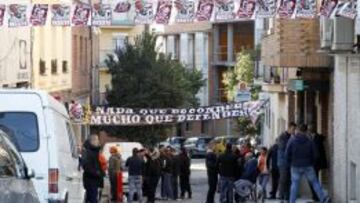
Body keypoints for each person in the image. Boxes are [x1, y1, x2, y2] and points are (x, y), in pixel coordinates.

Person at [285, 124, 331, 203]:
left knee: (295, 184)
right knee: (314, 182)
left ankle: (292, 201)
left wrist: (291, 163)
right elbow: (316, 154)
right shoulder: (310, 141)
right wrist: (311, 163)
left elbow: (286, 154)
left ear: (298, 130)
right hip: (308, 165)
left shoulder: (292, 140)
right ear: (306, 131)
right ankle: (323, 199)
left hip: (295, 165)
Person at [82, 134, 105, 203]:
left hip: (95, 180)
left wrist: (101, 172)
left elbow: (97, 165)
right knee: (93, 199)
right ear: (92, 141)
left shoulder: (94, 151)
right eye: (97, 140)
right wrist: (98, 173)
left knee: (93, 199)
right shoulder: (89, 152)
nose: (98, 141)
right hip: (91, 181)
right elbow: (87, 167)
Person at [277, 122, 297, 202]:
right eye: (293, 129)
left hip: (289, 162)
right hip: (283, 162)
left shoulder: (291, 137)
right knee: (283, 179)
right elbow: (283, 148)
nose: (294, 131)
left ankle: (287, 198)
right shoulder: (282, 136)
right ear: (289, 128)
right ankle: (281, 197)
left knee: (289, 180)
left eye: (295, 129)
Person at [308, 124, 328, 202]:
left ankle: (317, 196)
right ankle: (316, 195)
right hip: (313, 163)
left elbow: (317, 152)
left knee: (313, 180)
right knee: (313, 180)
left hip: (316, 163)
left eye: (310, 130)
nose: (309, 131)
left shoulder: (317, 138)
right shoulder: (310, 138)